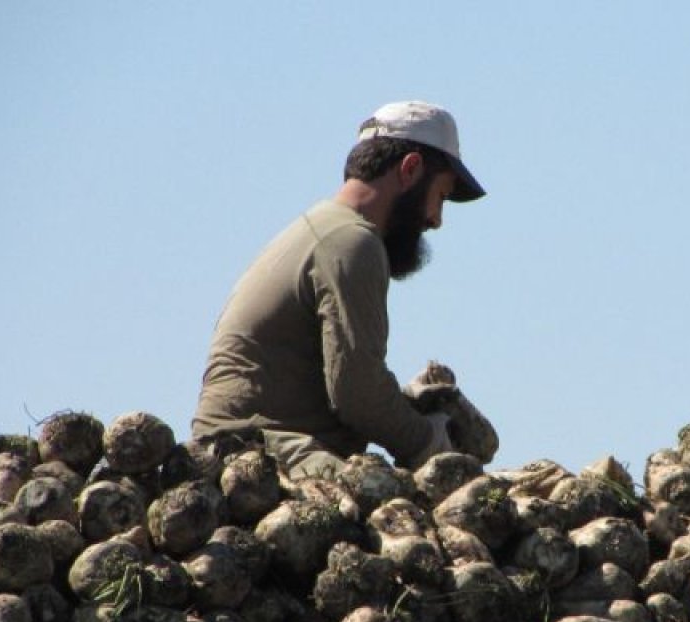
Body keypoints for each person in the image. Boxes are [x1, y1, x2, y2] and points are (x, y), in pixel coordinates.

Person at [191, 100, 486, 474]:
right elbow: (358, 393)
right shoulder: (352, 242)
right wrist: (430, 442)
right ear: (411, 169)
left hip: (248, 443)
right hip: (257, 451)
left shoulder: (323, 228)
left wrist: (406, 404)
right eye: (440, 196)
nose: (436, 219)